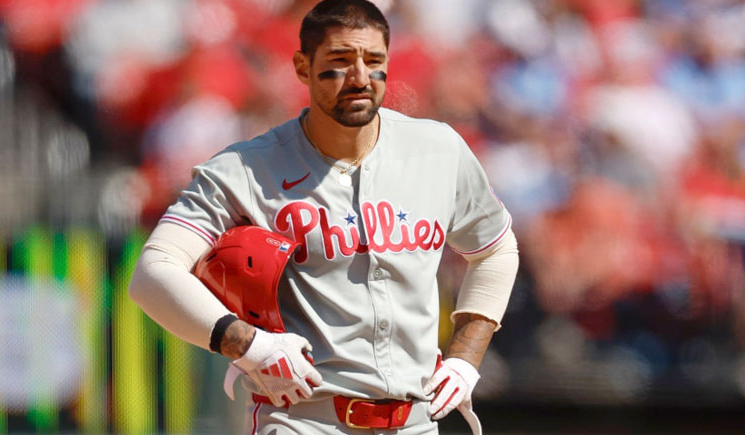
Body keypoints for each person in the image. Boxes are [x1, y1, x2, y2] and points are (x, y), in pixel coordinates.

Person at [128, 0, 519, 433]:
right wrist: (246, 343)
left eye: (374, 61)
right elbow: (153, 271)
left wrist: (465, 357)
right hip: (302, 419)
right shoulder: (246, 168)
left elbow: (496, 250)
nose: (360, 77)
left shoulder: (438, 150)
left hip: (416, 422)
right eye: (340, 60)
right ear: (303, 66)